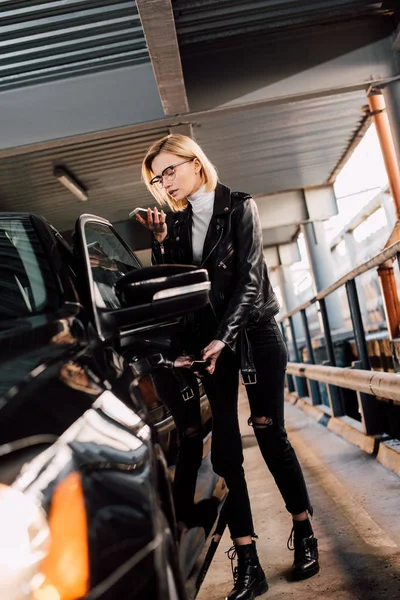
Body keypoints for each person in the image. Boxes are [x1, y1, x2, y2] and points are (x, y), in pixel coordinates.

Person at [138, 134, 319, 599]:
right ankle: (248, 561)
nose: (165, 183)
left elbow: (250, 277)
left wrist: (225, 335)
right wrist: (159, 244)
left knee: (268, 432)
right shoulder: (175, 225)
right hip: (208, 343)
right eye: (158, 178)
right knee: (225, 452)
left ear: (196, 163)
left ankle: (303, 531)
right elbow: (175, 289)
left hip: (253, 332)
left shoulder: (240, 206)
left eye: (170, 170)